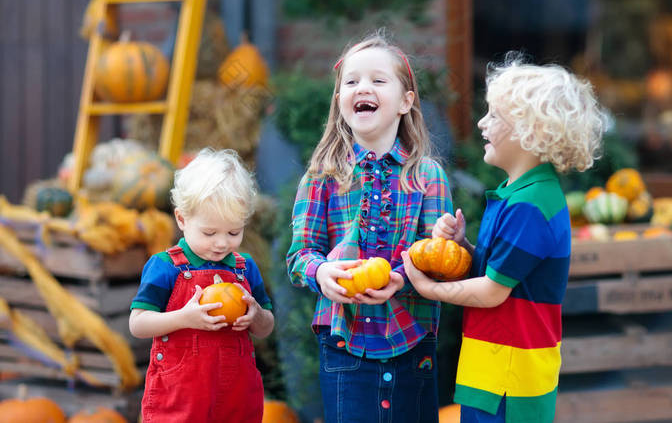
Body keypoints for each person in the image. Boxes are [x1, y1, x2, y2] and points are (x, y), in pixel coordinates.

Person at [404, 54, 607, 423]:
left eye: (495, 115)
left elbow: (492, 291)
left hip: (510, 379)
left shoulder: (530, 205)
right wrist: (465, 249)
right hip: (496, 367)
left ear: (534, 131)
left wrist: (426, 288)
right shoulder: (518, 194)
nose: (482, 123)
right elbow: (502, 272)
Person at [286, 31, 453, 422]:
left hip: (413, 340)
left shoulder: (427, 176)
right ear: (340, 99)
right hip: (344, 342)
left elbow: (438, 259)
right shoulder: (322, 176)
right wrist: (321, 271)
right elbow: (299, 256)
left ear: (405, 101)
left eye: (378, 81)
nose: (364, 87)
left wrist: (401, 277)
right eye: (352, 81)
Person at [129, 148, 274, 423]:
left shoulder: (244, 268)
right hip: (181, 402)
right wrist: (185, 318)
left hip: (235, 400)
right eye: (209, 233)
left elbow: (266, 328)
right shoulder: (166, 267)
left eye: (233, 232)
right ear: (182, 219)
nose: (222, 243)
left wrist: (256, 315)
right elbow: (137, 324)